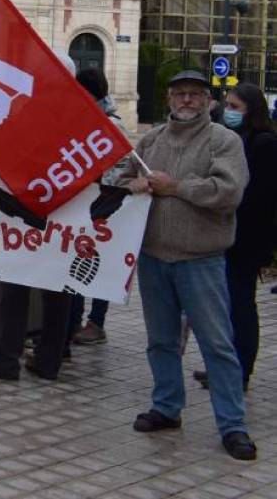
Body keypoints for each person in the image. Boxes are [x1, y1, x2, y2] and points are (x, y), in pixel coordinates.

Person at [118, 70, 256, 461]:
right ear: (168, 98)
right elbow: (117, 174)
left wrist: (175, 187)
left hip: (201, 260)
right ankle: (166, 406)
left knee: (217, 344)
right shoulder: (152, 140)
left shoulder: (223, 141)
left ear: (208, 101)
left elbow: (229, 192)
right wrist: (132, 184)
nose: (187, 101)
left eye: (195, 94)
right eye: (180, 94)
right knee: (161, 340)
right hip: (154, 258)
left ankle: (232, 425)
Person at [192, 82, 277, 392]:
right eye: (227, 105)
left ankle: (239, 371)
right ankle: (224, 367)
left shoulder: (264, 143)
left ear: (251, 110)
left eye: (235, 107)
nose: (228, 112)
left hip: (247, 239)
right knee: (224, 305)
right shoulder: (234, 138)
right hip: (227, 234)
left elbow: (259, 197)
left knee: (240, 304)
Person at [69, 67, 128, 346]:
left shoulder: (111, 125)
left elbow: (121, 169)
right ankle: (74, 320)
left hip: (104, 203)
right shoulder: (85, 119)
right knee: (78, 259)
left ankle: (96, 322)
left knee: (97, 263)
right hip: (85, 202)